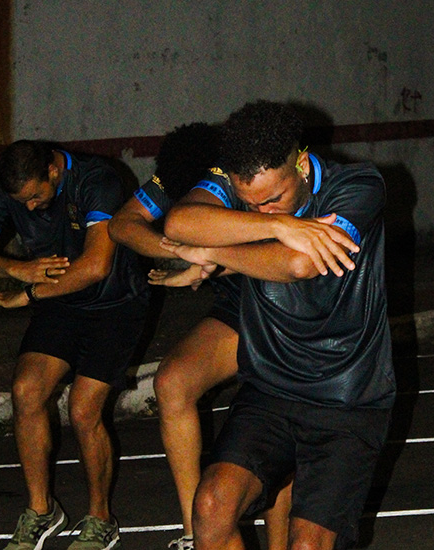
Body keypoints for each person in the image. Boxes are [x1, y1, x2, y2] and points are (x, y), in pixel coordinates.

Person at [161, 100, 396, 550]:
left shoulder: (359, 184)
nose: (262, 213)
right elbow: (180, 221)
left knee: (305, 545)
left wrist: (214, 252)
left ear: (302, 165)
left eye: (274, 200)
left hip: (347, 398)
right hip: (270, 390)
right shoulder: (245, 188)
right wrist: (285, 223)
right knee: (210, 507)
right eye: (249, 204)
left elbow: (299, 264)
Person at [0, 140, 149, 550]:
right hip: (60, 303)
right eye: (18, 201)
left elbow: (96, 266)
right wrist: (15, 267)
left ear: (54, 171)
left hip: (113, 303)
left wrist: (29, 294)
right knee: (26, 391)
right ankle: (42, 511)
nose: (27, 208)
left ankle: (101, 519)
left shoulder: (98, 181)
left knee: (83, 409)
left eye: (35, 197)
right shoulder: (14, 190)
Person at [108, 123, 291, 550]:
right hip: (236, 307)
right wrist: (179, 251)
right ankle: (196, 534)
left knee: (277, 418)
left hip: (282, 297)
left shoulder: (237, 179)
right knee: (172, 381)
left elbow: (278, 247)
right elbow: (123, 225)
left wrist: (207, 261)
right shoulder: (176, 176)